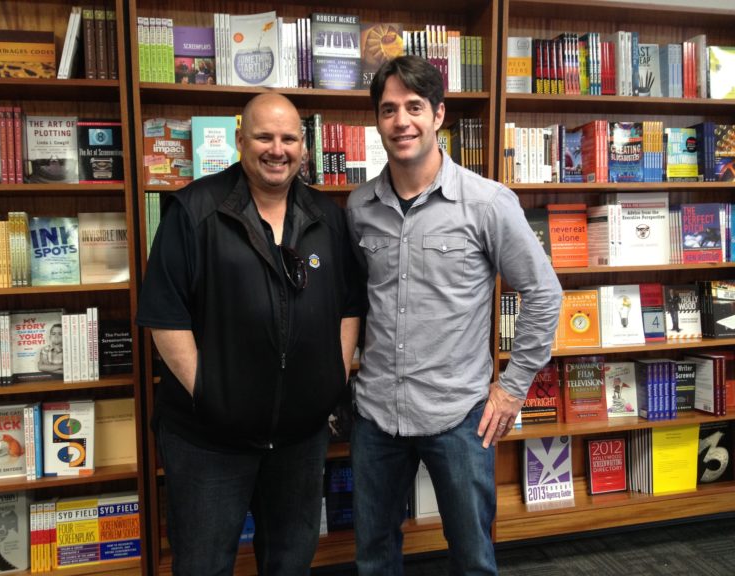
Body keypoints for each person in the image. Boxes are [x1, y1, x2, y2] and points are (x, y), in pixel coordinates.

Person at [346, 55, 562, 575]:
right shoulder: (358, 207)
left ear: (439, 115)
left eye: (414, 107)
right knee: (373, 558)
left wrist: (512, 388)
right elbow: (353, 300)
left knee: (472, 559)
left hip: (459, 417)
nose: (402, 121)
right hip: (376, 414)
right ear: (377, 120)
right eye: (389, 109)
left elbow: (543, 292)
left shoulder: (488, 203)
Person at [136, 93, 362, 576]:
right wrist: (212, 395)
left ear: (304, 146)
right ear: (241, 140)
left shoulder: (328, 217)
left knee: (289, 561)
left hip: (300, 438)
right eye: (263, 137)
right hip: (209, 439)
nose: (276, 149)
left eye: (288, 138)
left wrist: (331, 380)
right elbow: (165, 315)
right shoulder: (194, 210)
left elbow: (348, 306)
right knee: (203, 564)